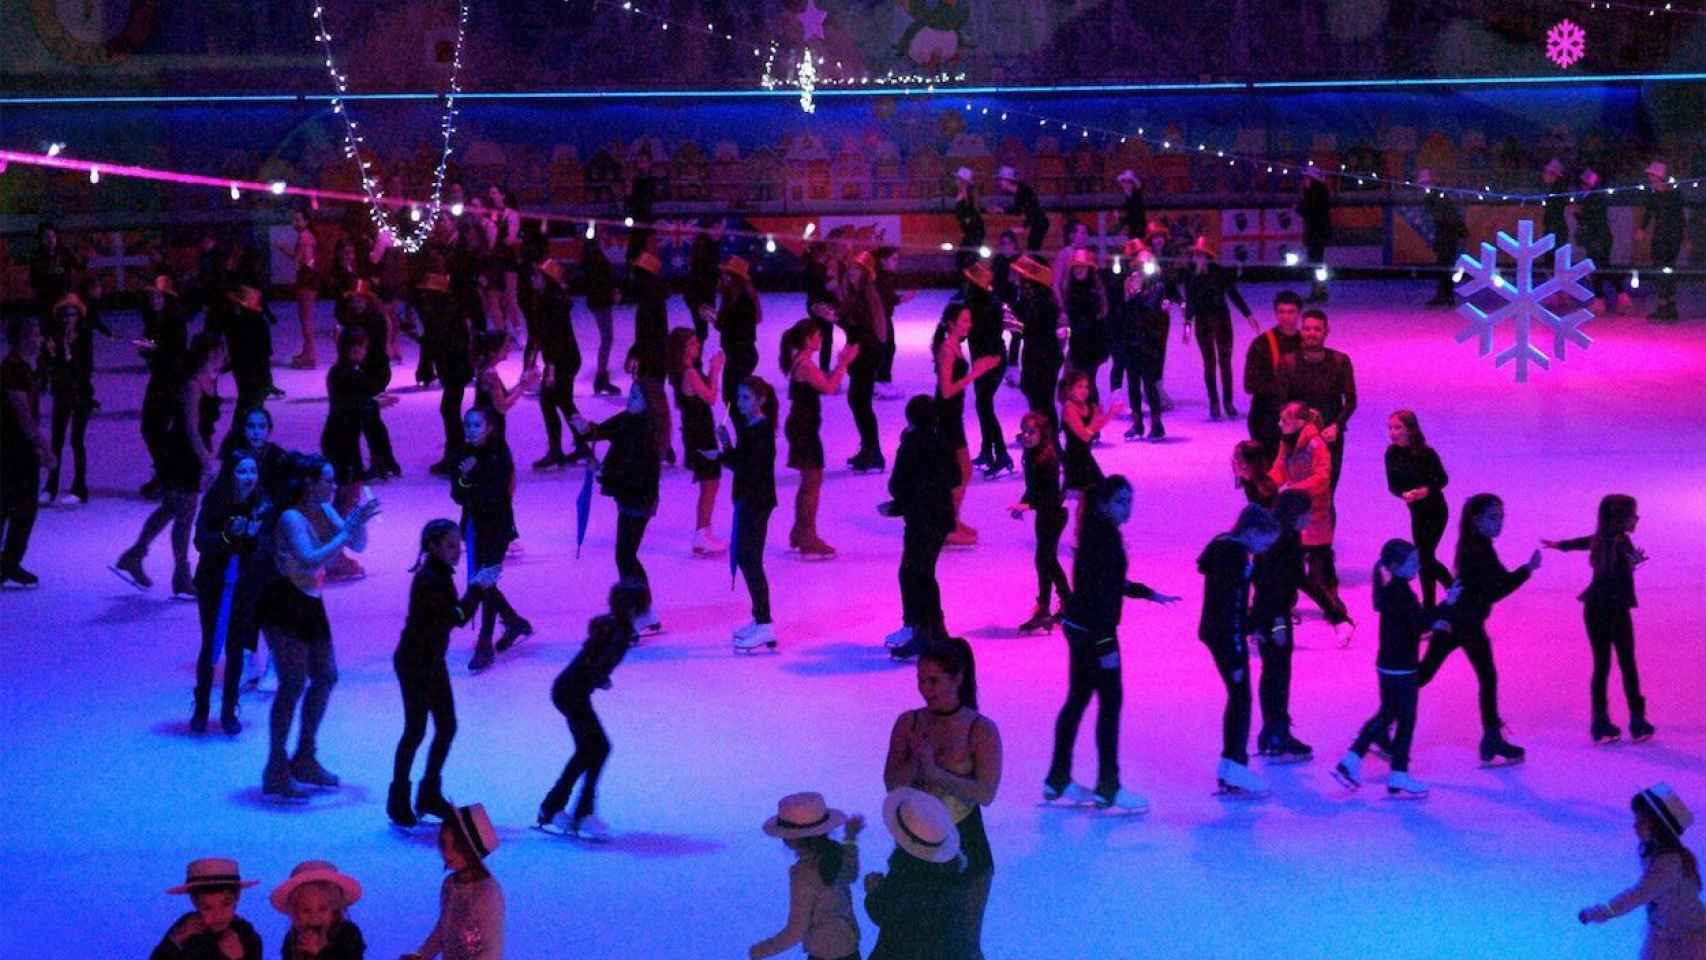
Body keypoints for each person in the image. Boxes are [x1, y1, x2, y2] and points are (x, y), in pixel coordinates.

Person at [1048, 475, 1181, 811]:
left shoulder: (1097, 533)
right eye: (1121, 501)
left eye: (1130, 501)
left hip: (1079, 627)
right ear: (1105, 504)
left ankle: (1057, 778)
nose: (1127, 508)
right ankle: (1109, 785)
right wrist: (1106, 644)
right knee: (1109, 705)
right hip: (1095, 632)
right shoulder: (1103, 540)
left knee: (1078, 699)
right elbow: (1100, 597)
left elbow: (1109, 584)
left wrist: (1146, 592)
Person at [255, 453, 378, 801]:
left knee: (326, 676)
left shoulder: (324, 508)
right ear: (309, 482)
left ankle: (305, 756)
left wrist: (357, 521)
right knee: (292, 684)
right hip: (282, 602)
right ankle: (275, 768)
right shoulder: (292, 517)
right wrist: (347, 530)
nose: (333, 485)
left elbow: (357, 545)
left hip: (308, 600)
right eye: (328, 479)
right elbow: (310, 558)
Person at [883, 639, 1002, 957]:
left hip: (966, 847)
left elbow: (986, 792)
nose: (925, 689)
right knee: (900, 941)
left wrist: (936, 775)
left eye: (933, 680)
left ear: (957, 678)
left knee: (959, 946)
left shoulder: (980, 729)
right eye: (920, 680)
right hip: (914, 845)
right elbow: (892, 783)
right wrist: (916, 762)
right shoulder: (908, 723)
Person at [1416, 492, 1541, 766]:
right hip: (1464, 622)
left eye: (1501, 517)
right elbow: (1497, 590)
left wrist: (1523, 571)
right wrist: (1528, 570)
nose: (1500, 523)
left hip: (1456, 618)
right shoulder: (1477, 550)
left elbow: (1496, 585)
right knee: (1485, 677)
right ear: (1476, 520)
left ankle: (1380, 725)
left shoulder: (1477, 545)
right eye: (1493, 517)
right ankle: (1492, 738)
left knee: (1425, 674)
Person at [391, 519, 501, 827]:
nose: (457, 551)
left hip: (429, 660)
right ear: (433, 546)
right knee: (416, 730)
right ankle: (399, 798)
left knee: (445, 726)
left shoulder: (439, 575)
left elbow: (455, 616)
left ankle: (427, 794)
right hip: (415, 662)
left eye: (458, 545)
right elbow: (458, 617)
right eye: (451, 545)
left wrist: (476, 589)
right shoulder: (429, 580)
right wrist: (478, 588)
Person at [1333, 538, 1456, 798]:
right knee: (1405, 719)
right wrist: (1446, 606)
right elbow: (1418, 624)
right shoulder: (1401, 592)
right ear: (1396, 566)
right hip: (1402, 667)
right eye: (1412, 562)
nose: (1417, 566)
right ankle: (1396, 773)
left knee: (1388, 714)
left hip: (1388, 664)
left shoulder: (1391, 590)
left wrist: (1435, 622)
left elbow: (1413, 623)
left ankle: (1352, 759)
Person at [115, 332, 225, 599]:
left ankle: (135, 554)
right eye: (219, 351)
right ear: (208, 353)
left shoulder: (211, 379)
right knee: (184, 514)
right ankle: (181, 575)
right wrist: (206, 460)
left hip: (194, 453)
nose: (223, 356)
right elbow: (189, 428)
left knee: (171, 508)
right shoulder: (192, 385)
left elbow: (205, 427)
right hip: (181, 455)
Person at [537, 579, 647, 841]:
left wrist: (599, 676)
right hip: (572, 692)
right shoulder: (620, 633)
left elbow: (592, 655)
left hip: (569, 689)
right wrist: (600, 677)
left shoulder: (612, 625)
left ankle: (555, 807)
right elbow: (595, 662)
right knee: (597, 748)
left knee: (590, 750)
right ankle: (577, 810)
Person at [1543, 494, 1653, 744]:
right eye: (1632, 514)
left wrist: (1558, 544)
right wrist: (1633, 560)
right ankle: (1637, 719)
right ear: (1620, 519)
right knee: (1627, 664)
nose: (1637, 518)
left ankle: (1600, 721)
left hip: (1594, 608)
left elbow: (1581, 543)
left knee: (1602, 665)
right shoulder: (1621, 542)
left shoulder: (1601, 540)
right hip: (1615, 608)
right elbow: (1623, 557)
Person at [1197, 504, 1283, 795]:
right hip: (1225, 636)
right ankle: (1236, 766)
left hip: (1218, 632)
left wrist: (1248, 627)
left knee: (1239, 698)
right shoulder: (1234, 556)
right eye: (1265, 542)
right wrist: (1237, 645)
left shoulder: (1224, 548)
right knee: (1241, 699)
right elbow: (1229, 605)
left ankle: (1230, 765)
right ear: (1253, 531)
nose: (1265, 550)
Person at [572, 385, 665, 636]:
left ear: (649, 403)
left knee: (625, 555)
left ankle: (642, 610)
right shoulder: (626, 419)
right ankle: (644, 610)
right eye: (631, 393)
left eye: (636, 395)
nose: (629, 399)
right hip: (627, 495)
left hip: (639, 498)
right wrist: (586, 427)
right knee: (626, 554)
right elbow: (602, 431)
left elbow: (633, 473)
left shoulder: (647, 433)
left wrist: (601, 472)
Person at [189, 453, 269, 736]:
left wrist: (254, 536)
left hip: (244, 584)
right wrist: (228, 535)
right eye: (242, 471)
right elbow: (200, 540)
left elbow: (265, 546)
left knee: (235, 647)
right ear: (231, 474)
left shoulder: (261, 504)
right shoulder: (214, 500)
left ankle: (228, 709)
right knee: (211, 642)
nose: (249, 476)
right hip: (214, 581)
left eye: (252, 471)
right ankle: (201, 707)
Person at [1578, 784, 1706, 958]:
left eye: (1641, 822)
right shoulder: (1653, 851)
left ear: (1659, 827)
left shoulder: (1669, 864)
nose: (1635, 826)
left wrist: (1601, 912)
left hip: (1686, 939)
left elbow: (1637, 895)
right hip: (1665, 932)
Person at [452, 407, 532, 672]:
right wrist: (464, 477)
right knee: (484, 582)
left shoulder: (498, 453)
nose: (471, 430)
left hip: (497, 527)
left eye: (477, 425)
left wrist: (474, 474)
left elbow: (497, 492)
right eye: (468, 425)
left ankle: (484, 645)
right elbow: (458, 494)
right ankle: (514, 621)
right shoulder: (465, 452)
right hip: (474, 527)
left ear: (489, 427)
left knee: (485, 582)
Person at [1269, 401, 1354, 643]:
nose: (1279, 424)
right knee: (1292, 564)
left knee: (1320, 564)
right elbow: (1279, 470)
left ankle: (1334, 606)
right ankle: (1290, 601)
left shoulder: (1316, 445)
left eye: (1284, 420)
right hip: (1296, 514)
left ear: (1300, 422)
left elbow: (1322, 478)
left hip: (1314, 514)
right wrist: (1267, 485)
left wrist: (1294, 489)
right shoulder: (1286, 444)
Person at [884, 396, 960, 659]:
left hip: (920, 519)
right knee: (922, 573)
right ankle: (930, 630)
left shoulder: (911, 445)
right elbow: (955, 477)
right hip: (940, 518)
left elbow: (897, 484)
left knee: (914, 573)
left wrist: (902, 502)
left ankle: (922, 631)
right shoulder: (942, 443)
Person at [751, 793, 864, 960]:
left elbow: (796, 931)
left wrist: (760, 951)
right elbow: (852, 874)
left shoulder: (804, 874)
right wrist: (850, 838)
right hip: (850, 952)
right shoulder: (836, 853)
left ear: (789, 839)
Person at [780, 318, 858, 558]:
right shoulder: (805, 365)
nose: (821, 338)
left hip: (803, 426)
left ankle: (799, 531)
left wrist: (839, 365)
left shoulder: (802, 362)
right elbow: (830, 388)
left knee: (809, 481)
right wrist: (843, 363)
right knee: (811, 483)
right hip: (803, 428)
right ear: (807, 340)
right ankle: (807, 537)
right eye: (817, 336)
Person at [1250, 490, 1312, 761]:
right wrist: (1276, 623)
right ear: (1295, 514)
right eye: (1307, 512)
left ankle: (1273, 730)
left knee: (1273, 671)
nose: (1311, 517)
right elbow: (1275, 582)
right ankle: (1277, 734)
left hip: (1268, 613)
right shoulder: (1284, 541)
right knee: (1278, 672)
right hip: (1274, 616)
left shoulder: (1279, 536)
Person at [719, 376, 781, 651]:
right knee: (747, 558)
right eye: (739, 397)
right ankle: (760, 620)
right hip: (750, 499)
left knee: (749, 559)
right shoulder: (751, 427)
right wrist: (726, 447)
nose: (739, 403)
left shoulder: (762, 431)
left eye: (745, 398)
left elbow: (750, 468)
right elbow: (742, 461)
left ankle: (765, 623)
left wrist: (722, 455)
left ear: (760, 400)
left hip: (756, 502)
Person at [402, 804, 505, 960]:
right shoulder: (450, 884)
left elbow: (490, 951)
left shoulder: (487, 894)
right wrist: (421, 955)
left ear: (473, 850)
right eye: (443, 843)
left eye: (457, 847)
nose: (447, 853)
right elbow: (443, 928)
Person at [936, 306, 1000, 546]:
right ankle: (947, 525)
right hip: (946, 418)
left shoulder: (955, 347)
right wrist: (976, 373)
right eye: (965, 320)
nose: (969, 324)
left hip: (953, 416)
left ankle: (951, 520)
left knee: (960, 472)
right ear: (951, 324)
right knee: (961, 471)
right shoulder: (947, 350)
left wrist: (982, 368)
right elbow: (946, 390)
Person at [665, 327, 728, 555]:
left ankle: (705, 530)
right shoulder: (689, 373)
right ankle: (701, 534)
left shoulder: (687, 371)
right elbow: (711, 397)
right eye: (693, 343)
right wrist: (716, 369)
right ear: (683, 348)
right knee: (709, 481)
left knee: (710, 481)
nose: (698, 345)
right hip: (699, 432)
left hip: (697, 429)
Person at [1278, 308, 1356, 491]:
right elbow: (1281, 402)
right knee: (1299, 497)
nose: (1311, 333)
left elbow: (1351, 401)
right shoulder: (1287, 362)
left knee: (1327, 494)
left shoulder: (1340, 361)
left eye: (1317, 329)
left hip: (1330, 437)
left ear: (1326, 331)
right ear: (1301, 330)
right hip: (1297, 439)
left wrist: (1337, 425)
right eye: (1307, 329)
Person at [1179, 236, 1254, 421]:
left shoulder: (1220, 272)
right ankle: (1214, 402)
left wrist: (1248, 314)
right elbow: (1190, 303)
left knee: (1225, 362)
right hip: (1203, 322)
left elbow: (1233, 293)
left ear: (1208, 256)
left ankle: (1228, 402)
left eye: (1202, 255)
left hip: (1222, 320)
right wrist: (1187, 325)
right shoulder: (1190, 276)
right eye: (1196, 255)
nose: (1199, 258)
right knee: (1209, 364)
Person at [1385, 410, 1454, 609]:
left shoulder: (1426, 453)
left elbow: (1442, 479)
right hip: (1416, 512)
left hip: (1436, 511)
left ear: (1410, 429)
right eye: (1390, 428)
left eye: (1398, 427)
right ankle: (1434, 602)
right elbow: (1393, 485)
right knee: (1425, 558)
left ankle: (1449, 589)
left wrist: (1426, 490)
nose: (1392, 432)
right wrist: (1404, 494)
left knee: (1424, 557)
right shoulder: (1391, 454)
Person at [1009, 411, 1070, 632]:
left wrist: (1029, 505)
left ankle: (1065, 603)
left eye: (1031, 432)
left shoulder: (1048, 458)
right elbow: (1034, 489)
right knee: (1044, 560)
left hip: (1054, 514)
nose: (1026, 436)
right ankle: (1047, 607)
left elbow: (1052, 496)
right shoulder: (1031, 454)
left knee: (1046, 560)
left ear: (1042, 433)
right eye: (1023, 431)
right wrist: (1023, 503)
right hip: (1045, 514)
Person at [527, 258, 590, 470]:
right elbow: (543, 336)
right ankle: (581, 444)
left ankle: (557, 451)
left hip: (562, 360)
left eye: (536, 276)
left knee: (548, 401)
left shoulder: (551, 303)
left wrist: (551, 368)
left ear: (547, 280)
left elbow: (554, 338)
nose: (532, 279)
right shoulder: (548, 300)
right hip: (566, 358)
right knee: (564, 402)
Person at [1, 317, 50, 587]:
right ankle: (7, 564)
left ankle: (9, 563)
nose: (39, 339)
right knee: (16, 508)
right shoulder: (13, 370)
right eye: (35, 334)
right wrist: (43, 446)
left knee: (21, 509)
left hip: (19, 448)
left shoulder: (23, 368)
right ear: (23, 338)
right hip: (12, 450)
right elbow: (23, 415)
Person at [39, 293, 101, 504]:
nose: (68, 319)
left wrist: (68, 354)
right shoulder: (54, 338)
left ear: (78, 316)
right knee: (56, 440)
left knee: (77, 441)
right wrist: (51, 354)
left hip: (81, 394)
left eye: (72, 314)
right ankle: (51, 487)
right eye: (64, 315)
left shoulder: (84, 337)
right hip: (61, 393)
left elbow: (86, 368)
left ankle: (79, 488)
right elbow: (48, 366)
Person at [417, 272, 474, 476]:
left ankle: (455, 455)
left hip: (454, 368)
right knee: (449, 410)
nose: (425, 297)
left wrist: (431, 354)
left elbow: (445, 342)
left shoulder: (445, 314)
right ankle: (455, 453)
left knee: (449, 410)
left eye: (429, 293)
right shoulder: (441, 312)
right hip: (452, 367)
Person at [151, 858, 263, 960]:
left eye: (226, 904)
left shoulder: (246, 934)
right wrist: (177, 940)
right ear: (194, 902)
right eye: (207, 908)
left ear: (237, 897)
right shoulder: (186, 927)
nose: (218, 915)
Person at [1113, 242, 1168, 442]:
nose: (1141, 268)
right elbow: (1122, 312)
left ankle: (1156, 424)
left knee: (1149, 385)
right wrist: (1127, 294)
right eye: (1138, 264)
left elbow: (1147, 308)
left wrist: (1134, 295)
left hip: (1148, 342)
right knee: (1133, 384)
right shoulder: (1128, 283)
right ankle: (1137, 423)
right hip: (1131, 342)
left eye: (1146, 263)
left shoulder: (1157, 287)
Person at [962, 262, 1013, 478]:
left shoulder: (986, 305)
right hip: (984, 360)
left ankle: (1001, 455)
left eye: (970, 282)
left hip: (991, 361)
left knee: (984, 405)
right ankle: (987, 451)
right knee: (983, 404)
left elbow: (980, 334)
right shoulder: (978, 303)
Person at [140, 275, 189, 499]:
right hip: (160, 376)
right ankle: (165, 473)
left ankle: (168, 476)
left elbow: (175, 351)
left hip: (172, 379)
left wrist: (153, 348)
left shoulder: (174, 319)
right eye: (150, 296)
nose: (152, 300)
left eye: (157, 296)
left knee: (157, 428)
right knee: (151, 428)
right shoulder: (153, 319)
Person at [842, 250, 890, 473]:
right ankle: (868, 449)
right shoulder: (854, 293)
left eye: (857, 270)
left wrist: (839, 319)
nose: (852, 273)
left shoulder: (867, 294)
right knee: (858, 402)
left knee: (860, 402)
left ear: (865, 273)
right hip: (860, 351)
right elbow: (855, 325)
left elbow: (869, 328)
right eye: (851, 269)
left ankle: (874, 452)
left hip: (867, 353)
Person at [1243, 290, 1303, 459]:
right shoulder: (1262, 344)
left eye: (1291, 312)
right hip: (1267, 419)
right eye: (1281, 312)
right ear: (1275, 313)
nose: (1286, 317)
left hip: (1298, 421)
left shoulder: (1306, 343)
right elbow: (1249, 384)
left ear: (1299, 314)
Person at [269, 860, 366, 960]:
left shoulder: (348, 933)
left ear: (334, 908)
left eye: (322, 909)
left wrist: (322, 952)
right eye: (306, 910)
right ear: (295, 912)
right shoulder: (292, 938)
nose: (314, 916)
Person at [628, 252, 673, 460]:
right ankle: (662, 444)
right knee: (654, 401)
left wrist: (636, 354)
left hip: (652, 358)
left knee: (652, 402)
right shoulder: (653, 299)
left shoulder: (650, 301)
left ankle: (661, 445)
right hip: (656, 356)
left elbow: (649, 335)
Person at [1012, 255, 1062, 437]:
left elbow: (1031, 328)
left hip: (1043, 357)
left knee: (1043, 401)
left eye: (1022, 277)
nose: (1019, 280)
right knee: (1039, 399)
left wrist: (1017, 325)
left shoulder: (1042, 302)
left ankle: (1049, 441)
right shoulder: (1035, 299)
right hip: (1039, 354)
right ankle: (1043, 437)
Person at [1576, 168, 1629, 313]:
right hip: (1600, 237)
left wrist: (1579, 217)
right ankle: (1612, 297)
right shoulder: (1595, 198)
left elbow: (1593, 220)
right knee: (1601, 268)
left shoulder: (1592, 199)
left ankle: (1606, 299)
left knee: (1599, 269)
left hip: (1597, 238)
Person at [1058, 369, 1120, 492]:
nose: (1084, 390)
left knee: (1098, 492)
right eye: (1079, 387)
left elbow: (1094, 428)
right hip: (1074, 460)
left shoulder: (1087, 406)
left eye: (1086, 387)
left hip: (1086, 456)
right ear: (1069, 390)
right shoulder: (1069, 408)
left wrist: (1110, 414)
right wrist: (1096, 416)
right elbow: (1085, 436)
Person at [715, 256, 762, 410]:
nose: (723, 277)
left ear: (736, 279)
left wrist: (717, 320)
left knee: (733, 400)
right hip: (737, 356)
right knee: (731, 399)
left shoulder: (743, 302)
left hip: (742, 356)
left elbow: (738, 329)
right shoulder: (732, 299)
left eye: (727, 274)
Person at [1641, 160, 1685, 324]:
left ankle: (1666, 308)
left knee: (1664, 270)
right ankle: (1668, 308)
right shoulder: (1655, 195)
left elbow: (1680, 217)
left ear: (1658, 176)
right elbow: (1649, 213)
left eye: (1652, 175)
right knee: (1663, 269)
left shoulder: (1672, 195)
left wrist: (1685, 238)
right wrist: (1642, 229)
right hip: (1664, 235)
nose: (1650, 178)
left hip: (1670, 237)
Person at [1061, 246, 1110, 390]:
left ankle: (1090, 410)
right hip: (1079, 344)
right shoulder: (1072, 289)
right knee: (1082, 383)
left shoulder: (1094, 291)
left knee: (1086, 383)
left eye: (1083, 267)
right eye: (1076, 267)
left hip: (1092, 345)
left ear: (1089, 269)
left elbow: (1096, 318)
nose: (1079, 270)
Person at [1418, 170, 1468, 307]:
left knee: (1445, 267)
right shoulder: (1437, 198)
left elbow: (1446, 219)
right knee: (1444, 267)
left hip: (1448, 237)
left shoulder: (1436, 199)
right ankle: (1446, 296)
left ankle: (1446, 296)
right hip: (1447, 237)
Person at [580, 240, 621, 396]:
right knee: (607, 338)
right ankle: (601, 378)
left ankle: (601, 377)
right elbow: (602, 280)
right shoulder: (596, 258)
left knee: (607, 338)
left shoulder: (592, 258)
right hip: (600, 302)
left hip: (599, 301)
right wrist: (612, 294)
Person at [280, 209, 320, 369]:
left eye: (298, 220)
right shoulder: (307, 236)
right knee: (305, 316)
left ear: (306, 221)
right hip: (308, 278)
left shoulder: (305, 237)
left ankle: (310, 355)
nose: (294, 223)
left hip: (306, 279)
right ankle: (307, 351)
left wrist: (284, 250)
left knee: (306, 318)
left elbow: (304, 260)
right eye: (293, 220)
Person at [1298, 166, 1332, 303]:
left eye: (1306, 178)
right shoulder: (1318, 193)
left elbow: (1310, 212)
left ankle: (1319, 291)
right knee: (1316, 264)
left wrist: (1299, 208)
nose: (1303, 181)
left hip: (1316, 234)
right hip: (1318, 234)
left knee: (1315, 264)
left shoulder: (1314, 194)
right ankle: (1319, 290)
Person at [996, 165, 1049, 252]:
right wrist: (1002, 210)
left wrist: (1023, 228)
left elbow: (1033, 210)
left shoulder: (1024, 191)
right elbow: (1019, 210)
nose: (999, 183)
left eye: (1001, 180)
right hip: (1036, 223)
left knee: (1033, 251)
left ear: (1008, 181)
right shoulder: (1018, 192)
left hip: (1039, 223)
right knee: (1033, 250)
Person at [685, 227, 721, 343]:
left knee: (703, 331)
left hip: (703, 298)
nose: (701, 248)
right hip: (699, 299)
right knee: (702, 331)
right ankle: (696, 358)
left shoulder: (708, 264)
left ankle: (696, 357)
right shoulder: (698, 264)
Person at [952, 166, 985, 282]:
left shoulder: (969, 197)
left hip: (974, 233)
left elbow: (970, 216)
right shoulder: (962, 196)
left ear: (963, 182)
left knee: (967, 260)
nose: (955, 182)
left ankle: (970, 288)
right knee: (963, 259)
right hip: (970, 233)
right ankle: (967, 289)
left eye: (958, 179)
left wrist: (966, 220)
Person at [1232, 439, 1277, 505]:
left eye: (1237, 459)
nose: (1234, 463)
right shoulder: (1247, 484)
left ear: (1247, 464)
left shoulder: (1265, 490)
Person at [1115, 169, 1147, 239]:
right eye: (1124, 181)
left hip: (1138, 232)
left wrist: (1120, 218)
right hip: (1131, 232)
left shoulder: (1137, 196)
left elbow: (1135, 216)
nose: (1126, 184)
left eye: (1129, 182)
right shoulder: (1124, 198)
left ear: (1133, 184)